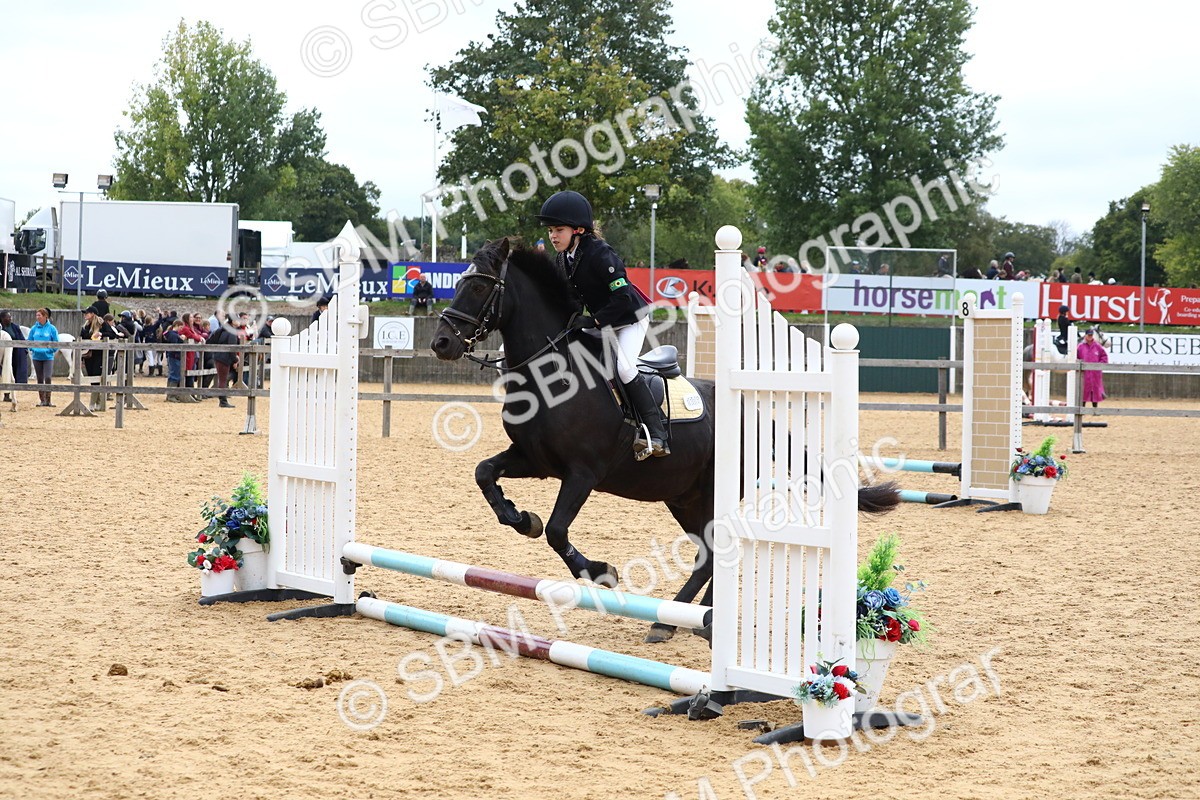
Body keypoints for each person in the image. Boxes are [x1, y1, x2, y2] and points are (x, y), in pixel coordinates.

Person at [537, 189, 668, 457]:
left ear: (578, 230)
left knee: (624, 369)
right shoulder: (564, 259)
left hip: (629, 320)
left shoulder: (600, 254)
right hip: (601, 323)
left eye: (558, 229)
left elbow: (621, 298)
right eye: (551, 230)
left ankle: (657, 434)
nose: (553, 236)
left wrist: (594, 320)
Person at [206, 316, 241, 408]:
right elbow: (232, 348)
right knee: (223, 379)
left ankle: (223, 399)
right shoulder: (231, 332)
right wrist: (236, 359)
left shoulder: (222, 330)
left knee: (222, 378)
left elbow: (210, 341)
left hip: (219, 356)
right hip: (224, 357)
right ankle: (223, 401)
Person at [27, 308, 59, 406]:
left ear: (45, 316)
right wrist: (33, 349)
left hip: (48, 357)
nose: (37, 317)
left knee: (48, 377)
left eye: (39, 315)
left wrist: (50, 350)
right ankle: (42, 400)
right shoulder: (33, 329)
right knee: (40, 378)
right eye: (36, 315)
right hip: (37, 357)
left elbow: (56, 342)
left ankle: (48, 399)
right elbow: (29, 341)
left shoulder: (52, 328)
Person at [1076, 328, 1108, 411]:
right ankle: (1082, 408)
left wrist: (1099, 366)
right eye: (1088, 335)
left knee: (1095, 390)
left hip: (1095, 373)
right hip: (1084, 373)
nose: (1090, 337)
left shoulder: (1097, 346)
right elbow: (1076, 357)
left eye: (1091, 335)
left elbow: (1104, 356)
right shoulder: (1080, 346)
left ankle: (1095, 409)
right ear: (1085, 335)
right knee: (1083, 390)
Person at [0, 311, 30, 390]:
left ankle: (20, 384)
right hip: (4, 351)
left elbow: (21, 338)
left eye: (10, 317)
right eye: (8, 317)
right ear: (2, 318)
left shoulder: (15, 327)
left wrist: (24, 349)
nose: (10, 318)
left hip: (16, 350)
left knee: (19, 364)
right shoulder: (1, 328)